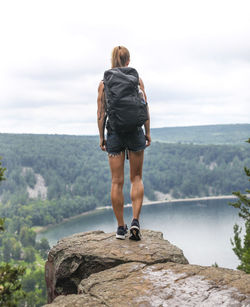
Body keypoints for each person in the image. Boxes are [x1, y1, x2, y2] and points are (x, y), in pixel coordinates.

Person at [97, 46, 151, 240]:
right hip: (135, 132)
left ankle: (121, 228)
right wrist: (147, 133)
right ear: (128, 61)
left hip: (115, 133)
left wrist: (102, 137)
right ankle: (135, 221)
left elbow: (101, 113)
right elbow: (144, 108)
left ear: (112, 60)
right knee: (136, 178)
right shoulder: (137, 81)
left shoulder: (104, 84)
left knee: (116, 181)